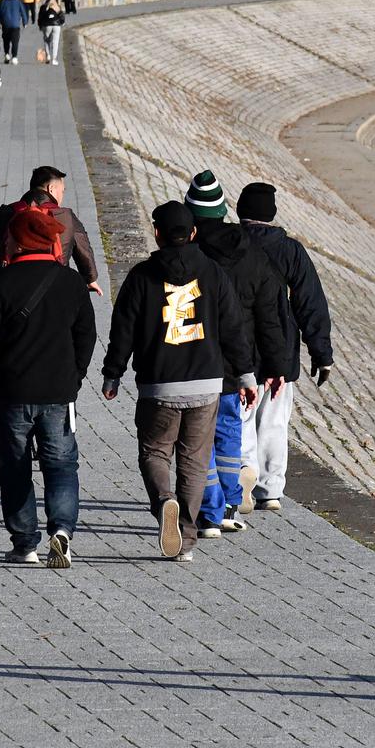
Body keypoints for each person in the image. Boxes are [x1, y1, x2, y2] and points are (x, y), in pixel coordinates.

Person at [101, 201, 256, 563]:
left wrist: (113, 373)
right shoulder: (214, 273)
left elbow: (123, 329)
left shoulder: (142, 276)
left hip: (159, 385)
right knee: (195, 461)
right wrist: (246, 374)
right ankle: (185, 538)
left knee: (154, 452)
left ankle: (163, 502)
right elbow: (234, 328)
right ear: (193, 234)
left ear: (156, 233)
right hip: (206, 384)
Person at [0, 207, 96, 568]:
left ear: (21, 240)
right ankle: (62, 532)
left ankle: (25, 543)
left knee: (15, 467)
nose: (6, 242)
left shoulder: (2, 283)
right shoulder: (71, 282)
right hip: (59, 393)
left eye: (10, 237)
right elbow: (86, 335)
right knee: (60, 465)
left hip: (13, 393)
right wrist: (75, 375)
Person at [184, 171, 286, 538]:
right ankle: (228, 502)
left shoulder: (190, 254)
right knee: (228, 432)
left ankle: (210, 510)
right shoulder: (251, 254)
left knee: (198, 437)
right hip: (237, 361)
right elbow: (269, 316)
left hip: (196, 358)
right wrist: (274, 366)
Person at [235, 182, 333, 513]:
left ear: (240, 211)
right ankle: (270, 489)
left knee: (242, 416)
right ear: (272, 214)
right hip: (282, 350)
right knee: (274, 420)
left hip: (240, 346)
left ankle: (241, 477)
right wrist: (322, 354)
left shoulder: (230, 246)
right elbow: (310, 304)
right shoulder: (290, 251)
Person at [0, 165, 101, 295]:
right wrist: (90, 278)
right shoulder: (65, 216)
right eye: (62, 190)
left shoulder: (6, 212)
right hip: (54, 284)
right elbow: (83, 247)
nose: (62, 195)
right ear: (51, 189)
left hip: (11, 285)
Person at [0, 0, 28, 64]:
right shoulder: (18, 2)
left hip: (5, 25)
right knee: (15, 42)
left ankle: (7, 54)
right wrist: (25, 22)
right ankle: (14, 57)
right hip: (15, 25)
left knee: (6, 40)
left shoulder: (2, 1)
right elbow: (23, 12)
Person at [37, 0, 66, 66]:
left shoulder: (43, 7)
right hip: (56, 25)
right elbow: (62, 16)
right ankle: (54, 59)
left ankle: (48, 56)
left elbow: (40, 18)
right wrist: (62, 23)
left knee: (47, 41)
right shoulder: (57, 6)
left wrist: (40, 26)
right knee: (55, 42)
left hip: (46, 25)